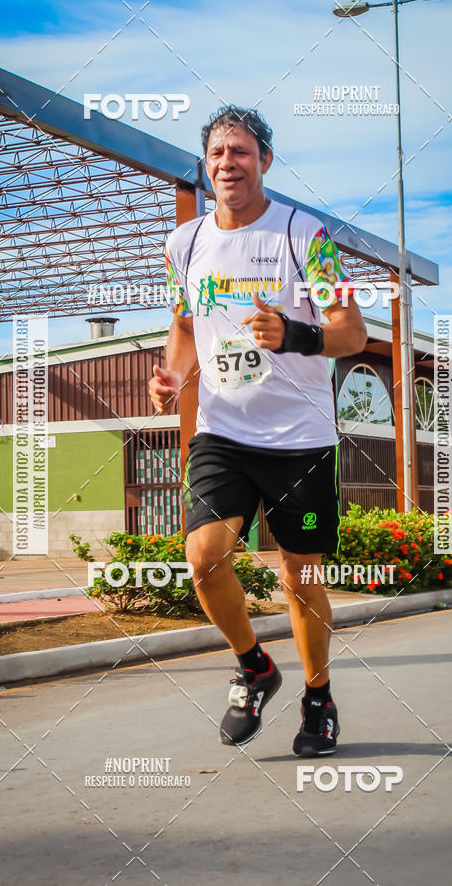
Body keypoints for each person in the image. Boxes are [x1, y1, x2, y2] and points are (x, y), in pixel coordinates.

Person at [149, 105, 367, 757]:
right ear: (205, 164)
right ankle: (254, 666)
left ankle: (319, 699)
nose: (227, 164)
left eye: (241, 152)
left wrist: (296, 334)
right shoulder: (183, 244)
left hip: (299, 440)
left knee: (301, 577)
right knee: (204, 558)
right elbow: (185, 328)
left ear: (265, 161)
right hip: (223, 432)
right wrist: (174, 375)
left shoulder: (307, 235)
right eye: (217, 153)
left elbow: (354, 332)